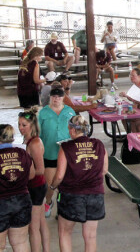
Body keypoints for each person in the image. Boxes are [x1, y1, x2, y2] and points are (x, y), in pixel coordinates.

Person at [49, 115, 108, 252]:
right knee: (91, 237)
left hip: (72, 196)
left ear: (73, 130)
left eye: (69, 129)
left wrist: (52, 188)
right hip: (95, 194)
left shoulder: (66, 147)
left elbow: (59, 176)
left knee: (64, 233)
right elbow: (104, 170)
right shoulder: (98, 144)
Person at [38, 87, 76, 218]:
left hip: (67, 153)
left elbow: (76, 131)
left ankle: (63, 208)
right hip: (49, 153)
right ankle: (48, 201)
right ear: (50, 97)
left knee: (65, 184)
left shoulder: (70, 111)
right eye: (54, 96)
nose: (56, 99)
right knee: (50, 184)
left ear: (63, 97)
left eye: (59, 96)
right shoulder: (43, 113)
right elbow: (38, 134)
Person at [18, 108, 50, 252]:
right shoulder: (29, 140)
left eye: (24, 125)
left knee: (33, 228)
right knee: (42, 223)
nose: (20, 128)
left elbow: (41, 170)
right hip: (37, 186)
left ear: (32, 125)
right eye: (19, 124)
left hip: (36, 187)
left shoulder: (35, 143)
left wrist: (22, 175)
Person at [0, 124, 35, 252]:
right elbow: (31, 174)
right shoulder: (22, 153)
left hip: (2, 203)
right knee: (20, 242)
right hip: (22, 201)